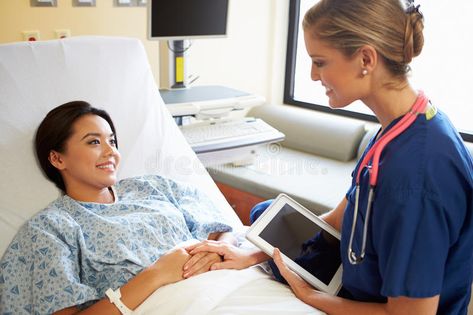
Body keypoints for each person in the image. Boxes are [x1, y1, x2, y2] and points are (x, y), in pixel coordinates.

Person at [184, 0, 473, 314]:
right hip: (351, 286)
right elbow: (339, 219)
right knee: (264, 214)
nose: (311, 75)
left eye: (320, 62)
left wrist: (314, 298)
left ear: (365, 58)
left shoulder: (417, 174)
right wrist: (252, 255)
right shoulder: (401, 127)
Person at [0, 101, 236, 314]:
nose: (111, 151)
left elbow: (224, 229)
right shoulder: (51, 229)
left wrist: (217, 251)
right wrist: (156, 274)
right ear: (57, 159)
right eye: (94, 142)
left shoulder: (153, 186)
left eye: (111, 141)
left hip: (229, 285)